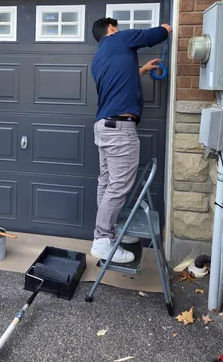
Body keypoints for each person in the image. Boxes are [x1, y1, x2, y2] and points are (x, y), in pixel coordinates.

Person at [90, 17, 172, 263]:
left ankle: (108, 233)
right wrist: (166, 29)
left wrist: (143, 70)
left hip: (104, 126)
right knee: (117, 186)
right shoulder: (120, 39)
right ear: (112, 29)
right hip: (119, 130)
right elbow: (154, 34)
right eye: (118, 27)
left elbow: (121, 78)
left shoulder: (99, 58)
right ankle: (103, 239)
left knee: (106, 182)